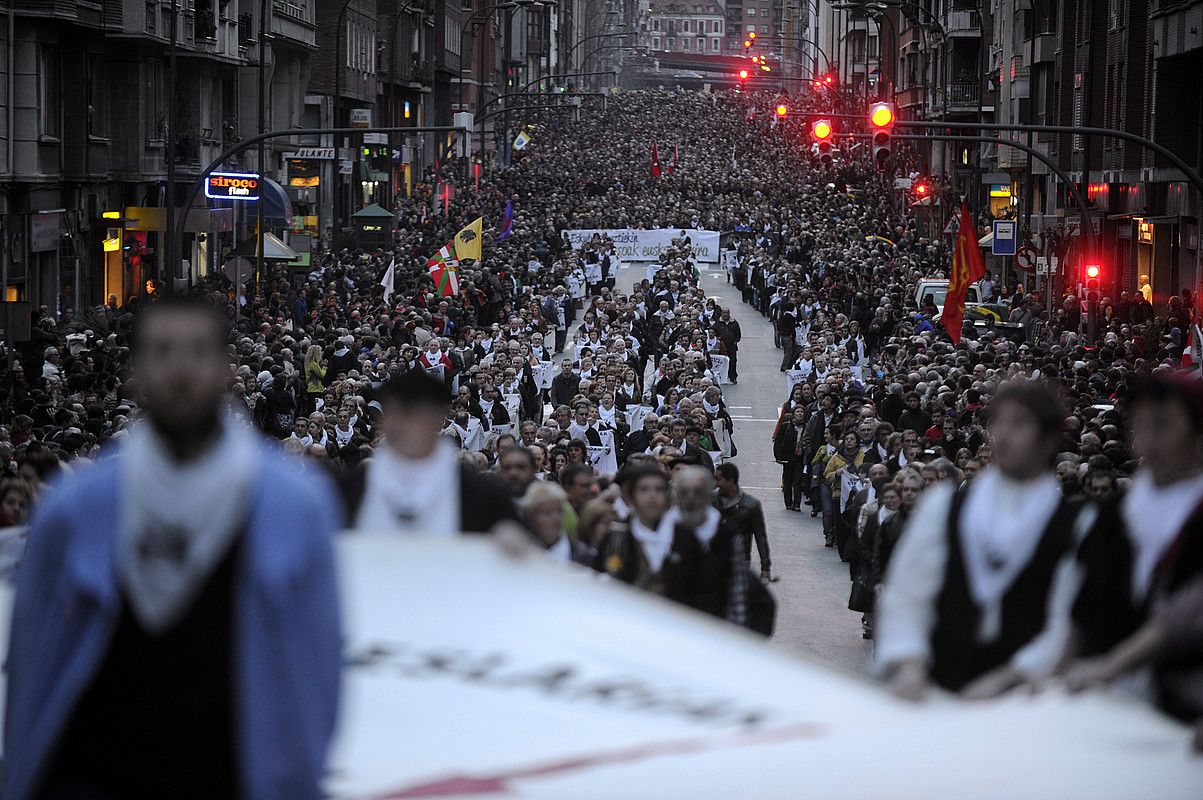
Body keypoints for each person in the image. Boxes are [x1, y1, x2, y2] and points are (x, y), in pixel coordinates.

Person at [3, 297, 342, 800]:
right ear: (135, 370)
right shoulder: (73, 511)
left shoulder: (296, 509)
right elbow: (33, 661)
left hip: (236, 775)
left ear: (225, 368)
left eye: (198, 351)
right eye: (163, 351)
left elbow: (317, 666)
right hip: (92, 776)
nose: (181, 369)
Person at [875, 381, 1097, 700]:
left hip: (1024, 699)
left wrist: (1010, 678)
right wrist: (909, 664)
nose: (1004, 434)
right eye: (999, 423)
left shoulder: (1074, 523)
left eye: (1019, 424)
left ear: (1049, 439)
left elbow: (1066, 623)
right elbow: (908, 593)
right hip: (938, 688)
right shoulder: (944, 506)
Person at [1065, 374, 1203, 743]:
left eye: (1163, 425)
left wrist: (1112, 666)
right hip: (1104, 707)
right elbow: (1080, 602)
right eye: (1140, 426)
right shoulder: (1113, 513)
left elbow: (1184, 616)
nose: (1149, 439)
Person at [342, 369, 517, 534]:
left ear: (438, 417)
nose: (397, 425)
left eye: (409, 413)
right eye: (390, 412)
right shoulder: (352, 489)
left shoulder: (484, 496)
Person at [714, 462, 772, 581]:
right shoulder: (712, 501)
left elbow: (760, 536)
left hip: (740, 561)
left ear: (731, 481)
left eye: (719, 479)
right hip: (714, 559)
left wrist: (765, 568)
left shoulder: (751, 505)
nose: (716, 483)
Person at [520, 480, 595, 566]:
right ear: (531, 517)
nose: (556, 518)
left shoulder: (584, 555)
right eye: (547, 513)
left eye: (559, 511)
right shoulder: (519, 554)